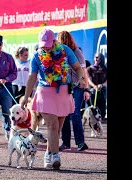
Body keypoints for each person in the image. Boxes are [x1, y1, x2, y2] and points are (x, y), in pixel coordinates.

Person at [20, 28, 86, 170]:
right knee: (52, 125)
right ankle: (56, 155)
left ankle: (48, 154)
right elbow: (32, 77)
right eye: (43, 44)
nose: (46, 47)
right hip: (44, 92)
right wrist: (26, 97)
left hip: (63, 92)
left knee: (57, 129)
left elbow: (77, 68)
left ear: (54, 41)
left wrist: (81, 78)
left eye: (48, 43)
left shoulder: (66, 50)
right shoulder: (37, 56)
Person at [57, 31, 90, 152]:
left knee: (75, 113)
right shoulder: (59, 53)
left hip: (77, 86)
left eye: (63, 40)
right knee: (64, 114)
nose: (62, 43)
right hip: (66, 86)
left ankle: (81, 142)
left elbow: (83, 71)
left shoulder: (77, 52)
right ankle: (66, 142)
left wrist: (86, 89)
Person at [86, 52, 107, 121]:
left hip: (102, 92)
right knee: (93, 109)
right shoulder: (89, 69)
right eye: (96, 57)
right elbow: (89, 80)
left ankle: (100, 124)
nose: (96, 59)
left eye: (98, 57)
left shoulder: (105, 69)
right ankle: (93, 125)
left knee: (102, 109)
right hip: (92, 91)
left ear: (102, 59)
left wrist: (102, 85)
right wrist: (94, 86)